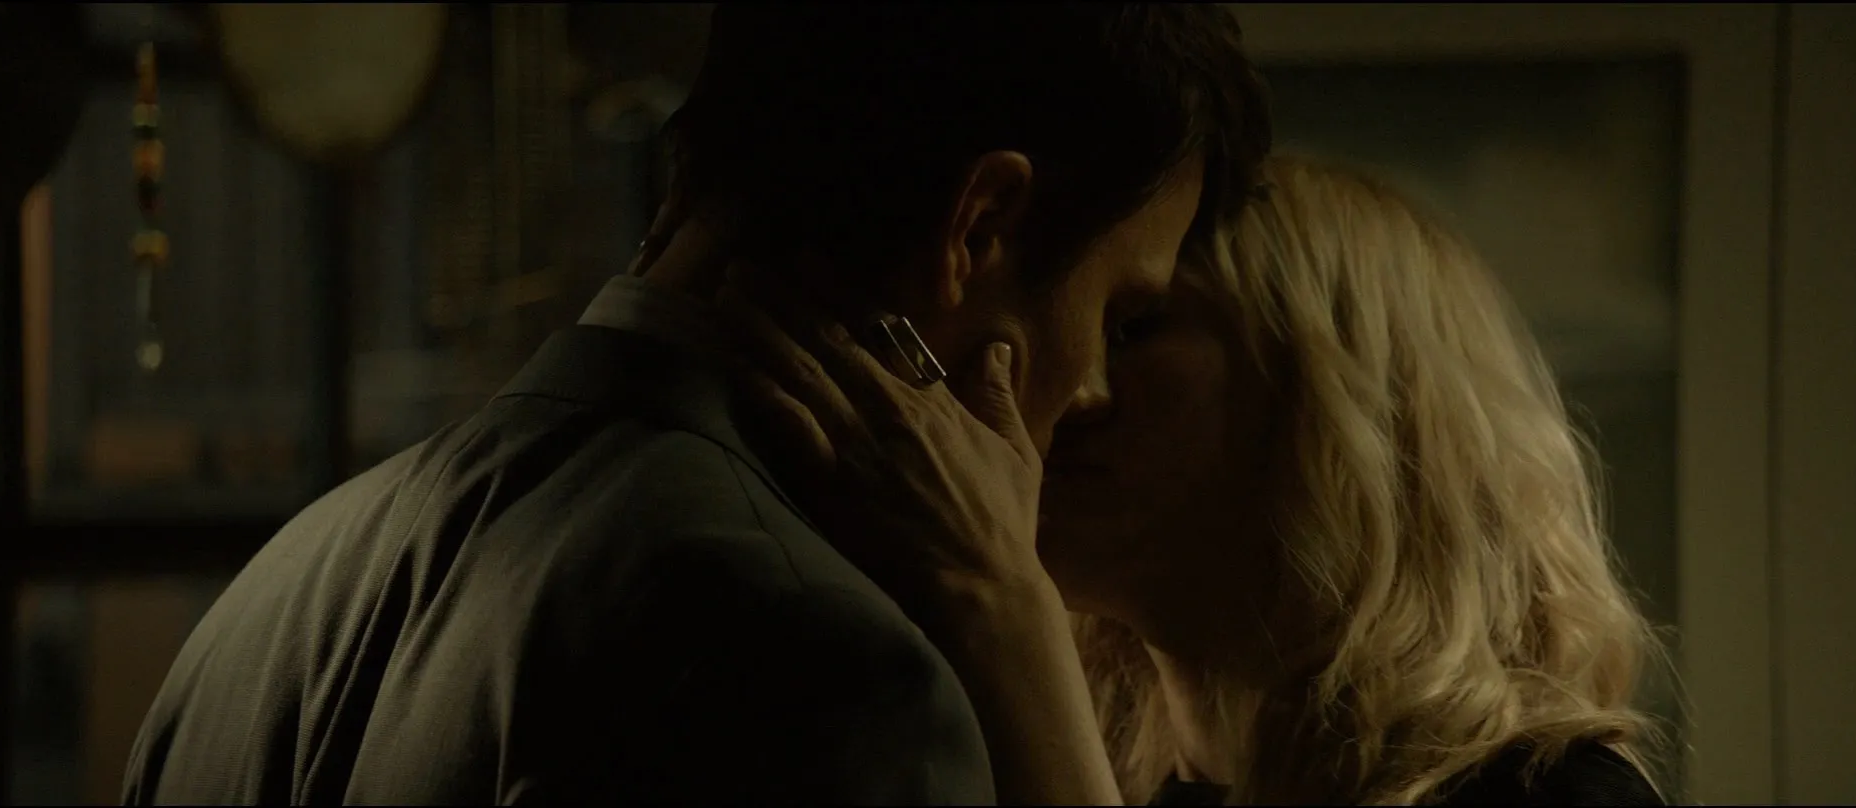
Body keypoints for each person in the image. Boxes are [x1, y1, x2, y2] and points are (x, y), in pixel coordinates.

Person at [121, 4, 1271, 806]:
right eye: (1116, 312)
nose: (1096, 386)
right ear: (980, 227)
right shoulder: (822, 663)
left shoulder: (269, 600)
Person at [759, 154, 1671, 806]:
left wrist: (1002, 611)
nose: (1072, 391)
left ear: (1332, 399)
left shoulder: (1554, 796)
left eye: (1132, 331)